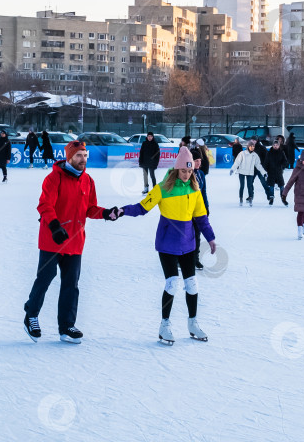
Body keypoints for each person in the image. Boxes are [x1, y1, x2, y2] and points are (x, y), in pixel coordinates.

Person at [23, 140, 121, 343]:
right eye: (79, 156)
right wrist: (55, 227)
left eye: (85, 155)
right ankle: (31, 314)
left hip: (75, 241)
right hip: (53, 238)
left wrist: (105, 213)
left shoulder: (88, 181)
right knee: (45, 278)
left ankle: (66, 326)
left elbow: (90, 208)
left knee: (71, 284)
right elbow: (44, 205)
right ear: (69, 157)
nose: (83, 159)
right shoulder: (53, 178)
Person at [121, 147, 217, 345]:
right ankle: (164, 325)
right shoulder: (163, 188)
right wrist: (122, 211)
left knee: (192, 284)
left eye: (190, 171)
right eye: (184, 171)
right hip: (167, 243)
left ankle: (192, 323)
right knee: (172, 283)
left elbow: (201, 218)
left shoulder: (194, 188)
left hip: (188, 244)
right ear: (177, 169)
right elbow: (142, 207)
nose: (187, 174)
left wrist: (210, 238)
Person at [230, 139, 267, 207]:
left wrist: (264, 172)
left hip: (250, 172)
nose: (253, 147)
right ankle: (241, 198)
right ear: (248, 146)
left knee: (249, 186)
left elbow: (258, 165)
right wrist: (232, 169)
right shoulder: (242, 153)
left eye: (253, 146)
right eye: (251, 146)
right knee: (242, 186)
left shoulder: (255, 155)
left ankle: (250, 198)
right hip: (242, 172)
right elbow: (237, 162)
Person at [189, 147, 209, 270]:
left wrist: (206, 207)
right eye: (196, 161)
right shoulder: (186, 173)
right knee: (185, 235)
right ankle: (181, 259)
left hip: (199, 210)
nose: (199, 163)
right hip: (188, 210)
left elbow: (204, 192)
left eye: (200, 161)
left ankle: (195, 259)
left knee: (197, 234)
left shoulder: (201, 174)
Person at [264, 139, 289, 206]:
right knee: (271, 187)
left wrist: (282, 166)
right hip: (271, 172)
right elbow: (266, 163)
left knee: (281, 186)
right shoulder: (269, 153)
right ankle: (271, 199)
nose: (275, 146)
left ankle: (283, 199)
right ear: (272, 145)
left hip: (279, 172)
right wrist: (265, 170)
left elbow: (285, 162)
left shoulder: (281, 152)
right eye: (274, 145)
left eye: (277, 145)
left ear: (279, 145)